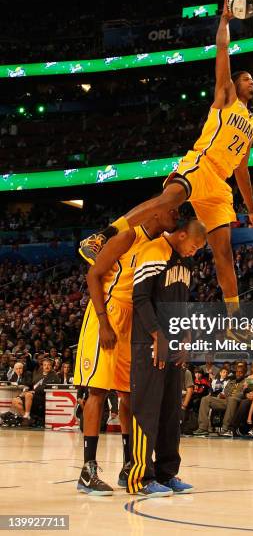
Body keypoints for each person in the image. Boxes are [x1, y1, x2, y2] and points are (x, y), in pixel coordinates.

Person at [78, 0, 253, 330]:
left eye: (252, 80)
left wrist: (251, 209)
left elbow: (242, 168)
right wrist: (223, 22)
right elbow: (222, 54)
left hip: (220, 185)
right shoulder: (226, 98)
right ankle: (102, 237)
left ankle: (235, 320)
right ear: (234, 84)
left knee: (223, 252)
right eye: (246, 78)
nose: (251, 82)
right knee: (167, 201)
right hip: (201, 164)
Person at [75, 209, 179, 496]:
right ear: (156, 214)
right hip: (107, 314)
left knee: (129, 394)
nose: (177, 215)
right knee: (97, 391)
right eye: (172, 210)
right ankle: (87, 471)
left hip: (133, 322)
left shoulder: (159, 246)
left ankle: (128, 466)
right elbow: (93, 275)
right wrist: (104, 323)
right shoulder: (128, 237)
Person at [127, 219, 207, 497]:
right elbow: (140, 299)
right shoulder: (152, 251)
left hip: (172, 341)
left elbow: (181, 302)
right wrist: (157, 335)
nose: (194, 252)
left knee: (170, 412)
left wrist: (185, 336)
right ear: (182, 234)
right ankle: (139, 477)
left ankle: (166, 472)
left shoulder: (186, 263)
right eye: (193, 246)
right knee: (146, 409)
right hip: (147, 341)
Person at [194, 364, 247, 437]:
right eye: (237, 372)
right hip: (226, 401)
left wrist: (229, 396)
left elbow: (243, 394)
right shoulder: (231, 382)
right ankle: (203, 428)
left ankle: (225, 429)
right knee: (205, 399)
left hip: (237, 402)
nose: (238, 374)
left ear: (244, 373)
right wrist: (221, 395)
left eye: (241, 372)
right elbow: (225, 392)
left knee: (232, 399)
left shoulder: (246, 382)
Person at [11, 357, 59, 426]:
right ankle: (27, 418)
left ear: (51, 366)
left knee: (28, 395)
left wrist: (33, 392)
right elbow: (32, 384)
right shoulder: (38, 374)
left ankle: (26, 416)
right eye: (45, 365)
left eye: (48, 365)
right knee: (15, 400)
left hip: (43, 397)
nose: (47, 367)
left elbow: (48, 388)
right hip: (33, 396)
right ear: (42, 366)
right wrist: (26, 390)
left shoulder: (54, 376)